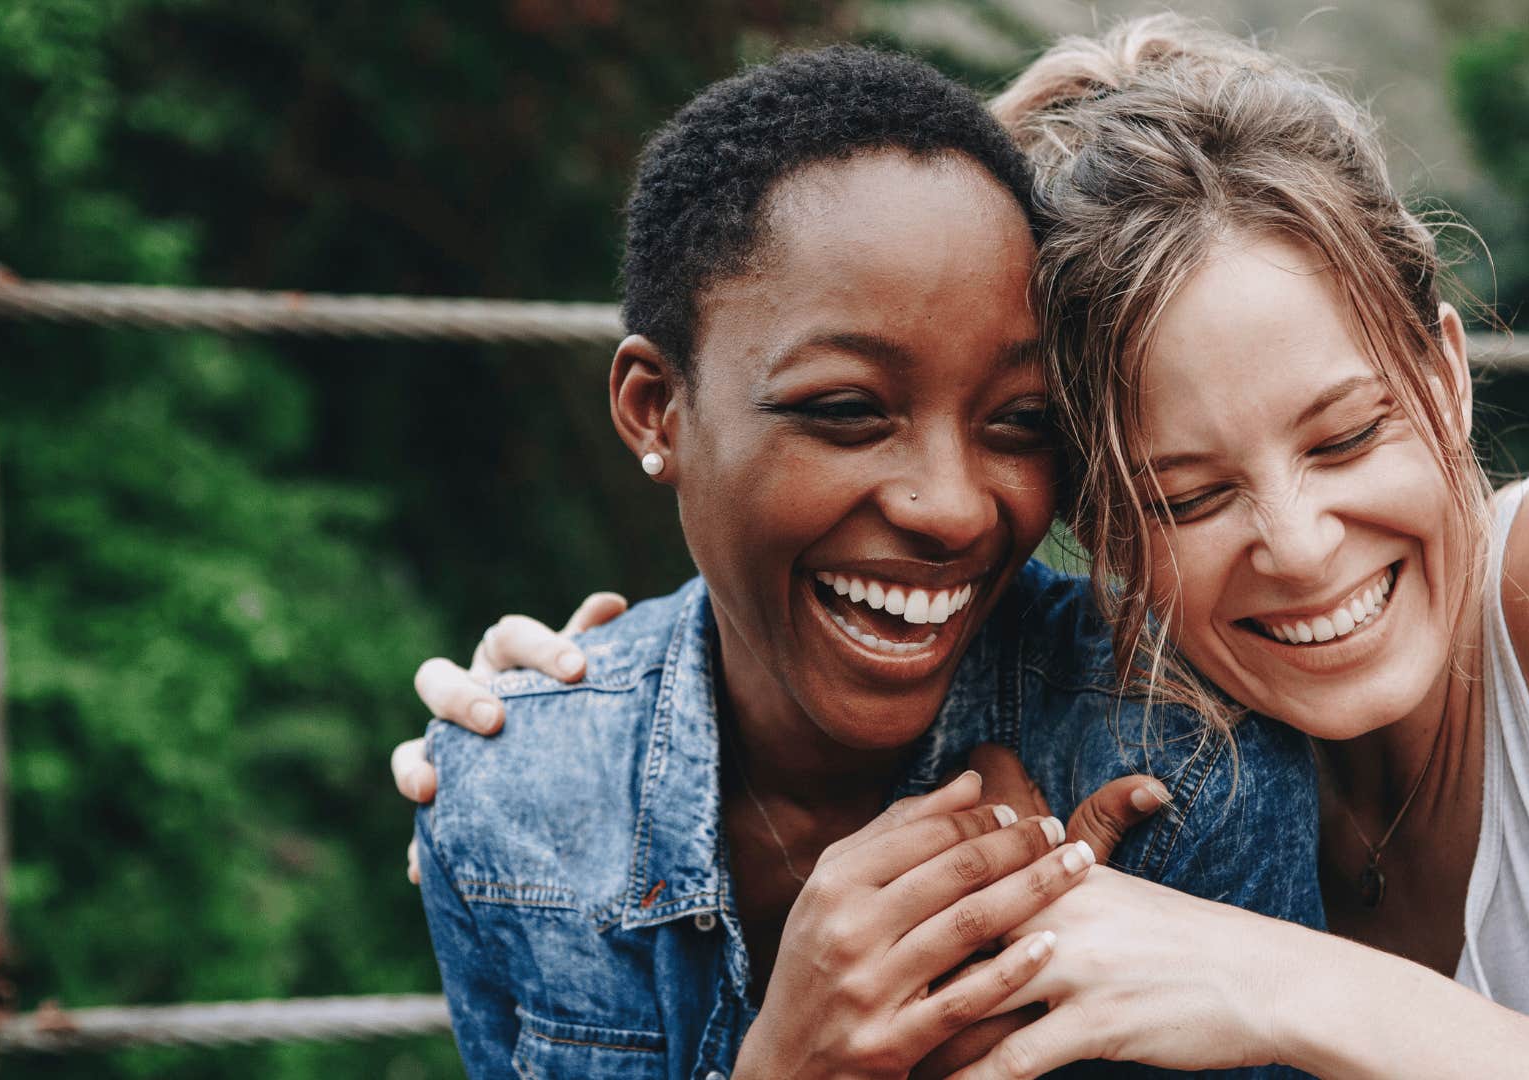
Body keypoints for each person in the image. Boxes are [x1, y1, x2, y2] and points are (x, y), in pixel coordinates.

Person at [406, 16, 1529, 1080]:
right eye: (1189, 499)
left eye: (1345, 436)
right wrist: (592, 705)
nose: (1305, 545)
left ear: (1446, 375)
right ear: (1098, 528)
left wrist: (1292, 988)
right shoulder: (1169, 758)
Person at [404, 43, 1320, 1080]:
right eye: (846, 411)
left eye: (1018, 422)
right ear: (655, 409)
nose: (953, 506)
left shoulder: (1179, 761)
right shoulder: (509, 805)